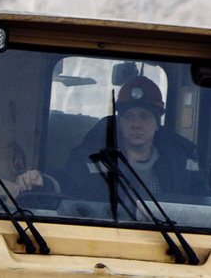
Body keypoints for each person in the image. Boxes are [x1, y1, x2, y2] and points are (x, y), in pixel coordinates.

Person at [46, 75, 198, 203]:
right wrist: (43, 182)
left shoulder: (181, 162)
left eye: (145, 117)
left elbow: (205, 200)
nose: (136, 125)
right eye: (129, 117)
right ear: (119, 123)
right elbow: (64, 185)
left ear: (157, 124)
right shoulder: (89, 160)